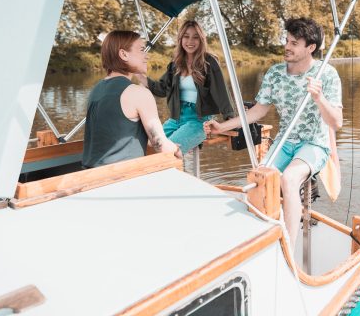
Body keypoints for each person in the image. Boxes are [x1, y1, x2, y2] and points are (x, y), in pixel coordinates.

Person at [204, 17, 343, 249]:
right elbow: (257, 112)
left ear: (311, 48)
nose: (287, 46)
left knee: (289, 179)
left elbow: (336, 122)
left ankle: (287, 246)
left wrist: (319, 98)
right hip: (284, 141)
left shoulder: (326, 74)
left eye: (294, 43)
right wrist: (222, 126)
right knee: (260, 178)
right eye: (286, 40)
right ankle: (262, 235)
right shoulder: (275, 73)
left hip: (314, 144)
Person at [82, 30, 180, 168]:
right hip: (123, 179)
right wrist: (176, 148)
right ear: (123, 54)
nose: (146, 56)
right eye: (141, 50)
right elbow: (160, 145)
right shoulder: (139, 93)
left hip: (89, 176)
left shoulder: (95, 90)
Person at [141, 20, 234, 155]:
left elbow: (222, 93)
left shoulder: (209, 62)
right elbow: (162, 89)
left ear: (201, 40)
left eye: (195, 37)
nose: (190, 41)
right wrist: (141, 76)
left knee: (169, 152)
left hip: (199, 121)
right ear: (180, 39)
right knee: (149, 147)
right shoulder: (175, 64)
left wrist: (231, 119)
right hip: (176, 118)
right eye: (186, 36)